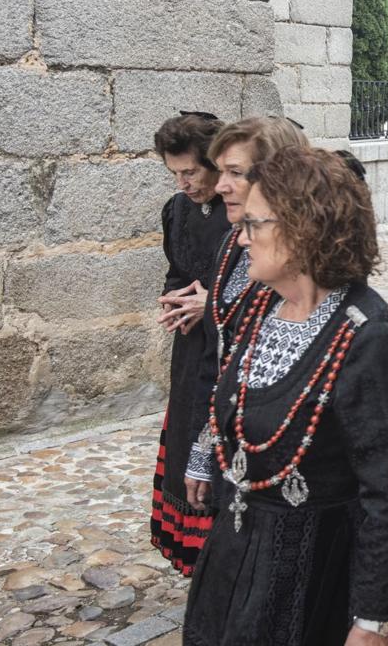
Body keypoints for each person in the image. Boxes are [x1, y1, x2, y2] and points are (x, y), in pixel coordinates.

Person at [183, 147, 388, 646]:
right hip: (235, 557)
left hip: (316, 576)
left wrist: (372, 621)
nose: (242, 239)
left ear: (301, 229)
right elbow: (233, 412)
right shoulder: (260, 307)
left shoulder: (370, 339)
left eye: (255, 225)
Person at [182, 117, 310, 530]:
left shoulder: (299, 269)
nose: (219, 186)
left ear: (278, 175)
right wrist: (204, 447)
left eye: (235, 172)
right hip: (232, 447)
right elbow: (219, 359)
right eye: (221, 172)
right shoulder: (233, 245)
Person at [150, 112, 229, 576]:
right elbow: (178, 269)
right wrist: (177, 298)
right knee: (185, 440)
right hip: (191, 349)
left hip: (231, 350)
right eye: (174, 174)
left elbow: (267, 287)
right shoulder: (176, 210)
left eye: (190, 172)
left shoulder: (241, 208)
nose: (182, 184)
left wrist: (212, 305)